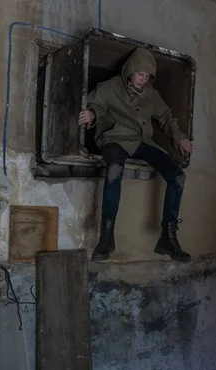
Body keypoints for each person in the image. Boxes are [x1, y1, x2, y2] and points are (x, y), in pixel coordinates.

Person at [78, 47, 193, 262]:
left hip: (141, 142)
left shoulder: (151, 93)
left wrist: (180, 137)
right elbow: (96, 105)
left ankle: (168, 237)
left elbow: (167, 117)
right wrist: (91, 114)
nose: (144, 79)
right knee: (114, 167)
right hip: (115, 139)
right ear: (130, 71)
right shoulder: (109, 87)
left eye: (148, 76)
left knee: (178, 176)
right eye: (141, 74)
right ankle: (106, 237)